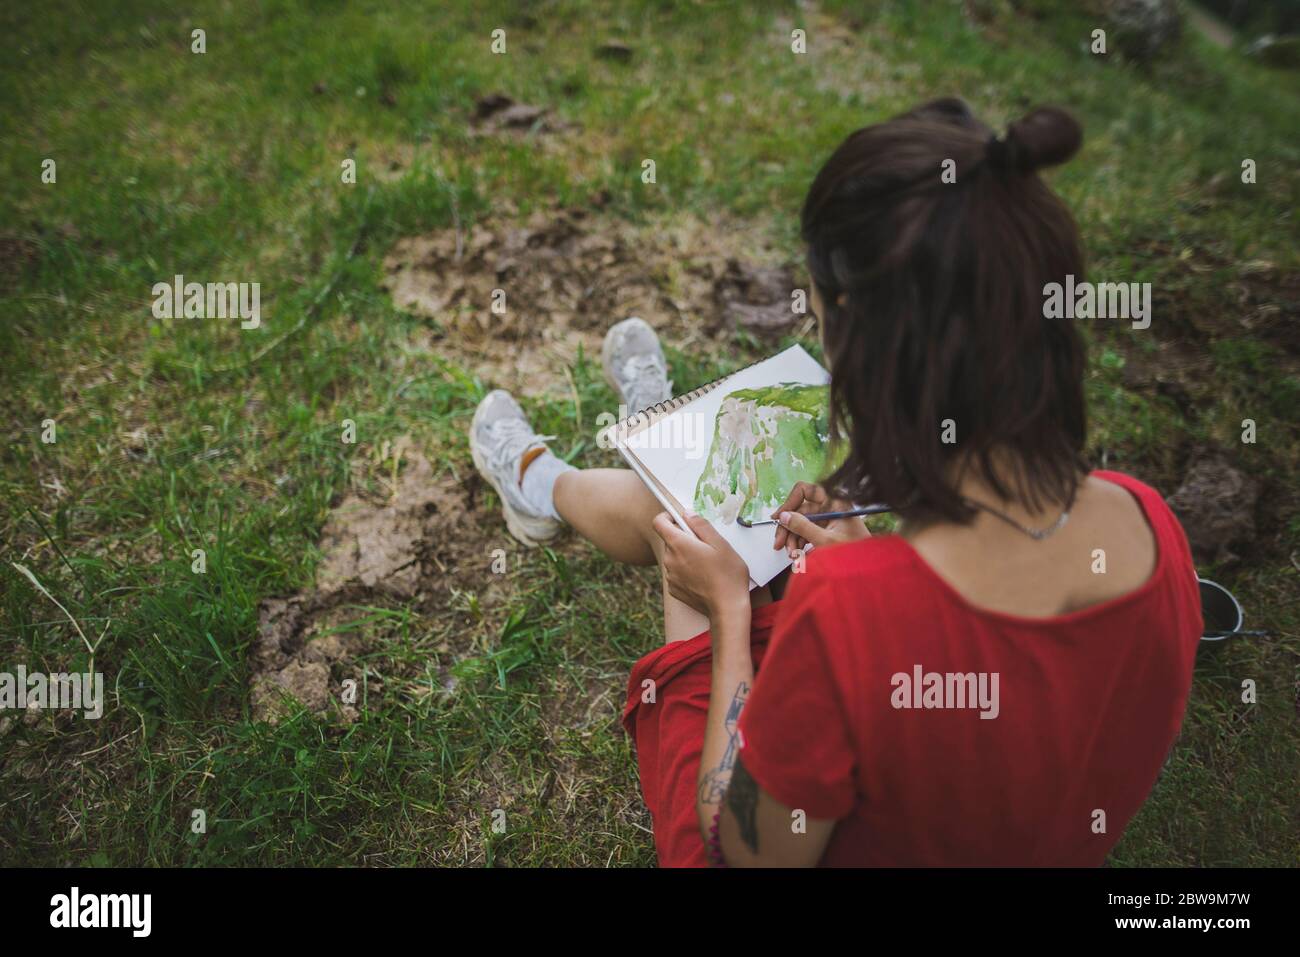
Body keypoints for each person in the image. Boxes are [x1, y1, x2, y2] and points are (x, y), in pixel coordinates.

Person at [468, 98, 1203, 867]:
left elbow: (743, 849)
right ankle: (633, 447)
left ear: (860, 336)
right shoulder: (1149, 522)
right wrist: (869, 559)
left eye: (819, 320)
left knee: (690, 527)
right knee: (706, 516)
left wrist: (725, 613)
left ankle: (554, 480)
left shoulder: (851, 616)